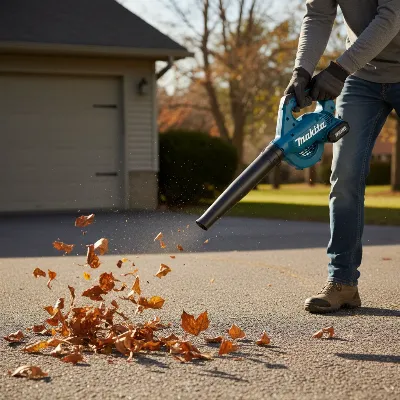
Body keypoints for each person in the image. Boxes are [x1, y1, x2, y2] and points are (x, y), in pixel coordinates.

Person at [284, 0, 400, 313]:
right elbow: (319, 14)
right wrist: (301, 71)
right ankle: (343, 282)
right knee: (345, 176)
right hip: (363, 76)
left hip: (355, 67)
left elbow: (391, 17)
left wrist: (337, 70)